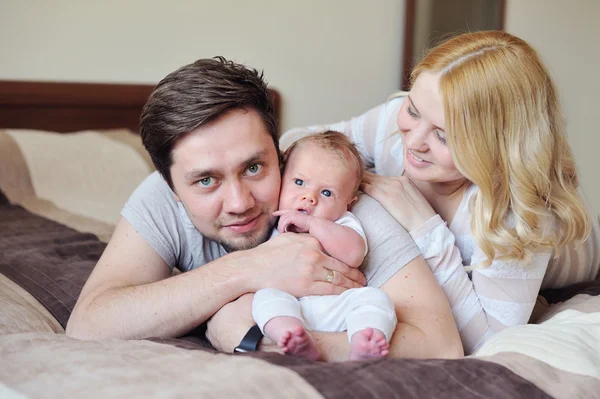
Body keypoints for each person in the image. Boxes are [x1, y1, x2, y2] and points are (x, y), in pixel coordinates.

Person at [65, 57, 463, 361]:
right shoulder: (159, 197)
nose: (239, 203)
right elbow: (89, 323)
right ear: (171, 187)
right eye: (206, 181)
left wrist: (259, 341)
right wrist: (246, 270)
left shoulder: (337, 206)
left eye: (254, 168)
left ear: (281, 153)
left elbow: (443, 344)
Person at [280, 30, 600, 355]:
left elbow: (491, 343)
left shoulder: (515, 215)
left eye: (443, 136)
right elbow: (296, 142)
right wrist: (343, 184)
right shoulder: (393, 127)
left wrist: (426, 228)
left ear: (496, 147)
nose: (413, 141)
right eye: (414, 111)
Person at [253, 131, 396, 361]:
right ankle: (291, 335)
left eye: (327, 193)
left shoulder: (342, 222)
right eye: (299, 182)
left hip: (338, 307)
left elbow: (353, 255)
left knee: (375, 299)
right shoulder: (272, 219)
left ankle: (363, 342)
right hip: (291, 303)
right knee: (265, 298)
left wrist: (312, 223)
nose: (309, 198)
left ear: (348, 203)